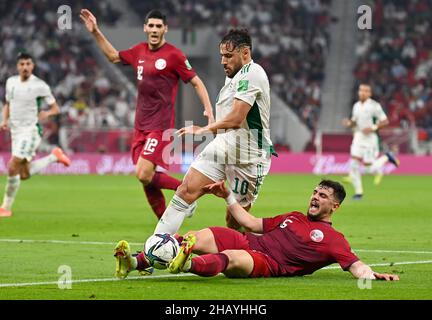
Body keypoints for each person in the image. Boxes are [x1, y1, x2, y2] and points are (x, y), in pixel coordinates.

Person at [113, 179, 399, 281]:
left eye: (323, 196)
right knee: (200, 235)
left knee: (234, 259)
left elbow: (355, 265)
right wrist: (227, 197)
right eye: (314, 192)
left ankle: (186, 263)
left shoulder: (334, 240)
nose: (315, 197)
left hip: (269, 263)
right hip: (248, 239)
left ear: (335, 207)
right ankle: (135, 261)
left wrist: (371, 274)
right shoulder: (293, 216)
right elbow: (251, 223)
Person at [80, 9, 214, 219]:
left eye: (158, 26)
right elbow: (114, 56)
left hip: (160, 126)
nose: (154, 29)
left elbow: (196, 82)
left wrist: (208, 109)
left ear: (165, 29)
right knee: (146, 178)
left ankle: (187, 192)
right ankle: (164, 230)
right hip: (139, 126)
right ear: (145, 28)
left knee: (143, 173)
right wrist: (95, 31)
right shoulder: (139, 51)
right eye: (150, 25)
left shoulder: (174, 55)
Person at [152, 28, 277, 237]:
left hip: (249, 157)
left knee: (234, 221)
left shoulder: (253, 74)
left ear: (245, 53)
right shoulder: (233, 76)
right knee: (185, 191)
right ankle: (154, 249)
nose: (223, 61)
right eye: (221, 56)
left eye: (228, 56)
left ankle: (259, 252)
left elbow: (237, 119)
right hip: (223, 146)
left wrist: (203, 129)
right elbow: (230, 117)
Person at [0, 53, 71, 218]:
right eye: (22, 64)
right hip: (16, 132)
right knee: (23, 174)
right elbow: (8, 104)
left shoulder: (40, 85)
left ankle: (5, 207)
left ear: (32, 66)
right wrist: (5, 120)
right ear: (17, 66)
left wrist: (47, 113)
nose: (25, 67)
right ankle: (54, 156)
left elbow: (56, 108)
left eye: (28, 64)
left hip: (31, 131)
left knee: (12, 166)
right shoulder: (11, 82)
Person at [342, 84, 400, 200]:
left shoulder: (374, 106)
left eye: (365, 91)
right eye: (361, 90)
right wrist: (349, 123)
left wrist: (373, 127)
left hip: (370, 139)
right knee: (353, 165)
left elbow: (385, 121)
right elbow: (354, 121)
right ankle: (359, 193)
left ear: (369, 94)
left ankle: (387, 157)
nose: (362, 93)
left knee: (370, 169)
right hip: (358, 137)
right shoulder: (356, 106)